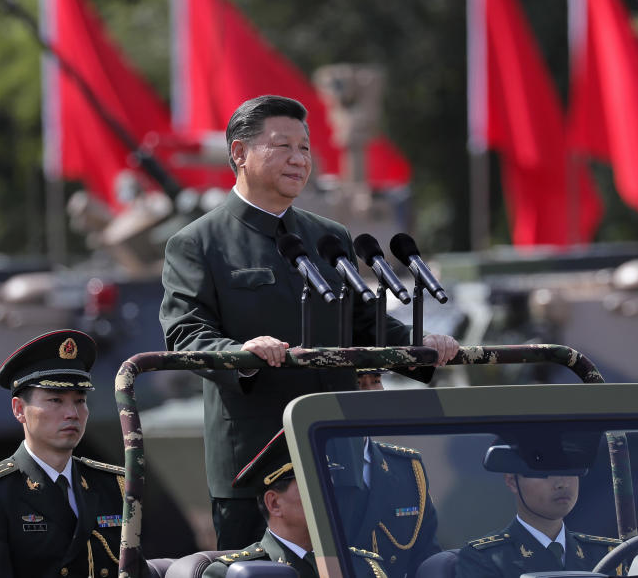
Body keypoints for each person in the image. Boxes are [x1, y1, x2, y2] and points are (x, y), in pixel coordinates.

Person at [159, 95, 459, 549]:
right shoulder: (198, 243)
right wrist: (242, 354)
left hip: (336, 449)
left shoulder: (328, 237)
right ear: (239, 153)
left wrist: (421, 346)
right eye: (283, 146)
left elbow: (364, 322)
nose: (299, 159)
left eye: (305, 148)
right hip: (257, 462)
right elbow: (186, 334)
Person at [0, 330, 131, 578]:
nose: (72, 413)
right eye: (56, 400)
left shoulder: (114, 485)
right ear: (19, 409)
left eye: (80, 400)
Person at [202, 429, 388, 578]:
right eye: (314, 485)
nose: (329, 495)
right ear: (274, 503)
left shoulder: (363, 567)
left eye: (330, 483)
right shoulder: (232, 573)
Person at [455, 439, 621, 578]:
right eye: (544, 473)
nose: (562, 483)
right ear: (512, 481)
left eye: (570, 469)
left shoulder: (608, 554)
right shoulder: (485, 559)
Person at [337, 369, 441, 578]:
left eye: (375, 381)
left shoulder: (407, 467)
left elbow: (426, 554)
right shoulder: (309, 463)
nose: (369, 393)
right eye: (358, 383)